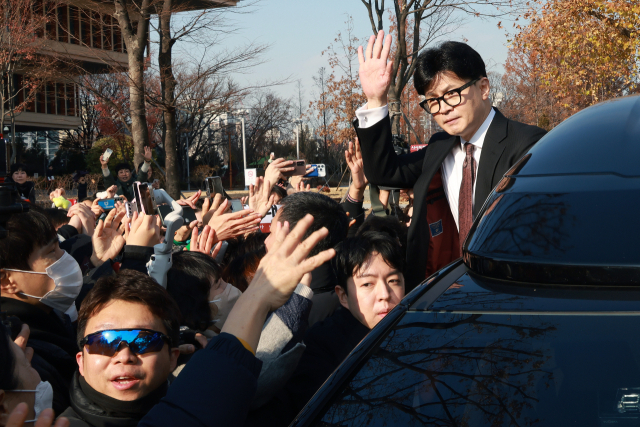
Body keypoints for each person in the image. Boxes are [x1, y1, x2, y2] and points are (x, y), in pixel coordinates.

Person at [356, 34, 547, 289]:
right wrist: (375, 100)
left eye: (452, 94)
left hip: (507, 291)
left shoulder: (528, 144)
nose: (443, 108)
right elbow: (384, 172)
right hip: (444, 292)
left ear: (483, 88)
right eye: (433, 101)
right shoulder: (439, 147)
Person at [245, 231, 405, 427]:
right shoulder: (320, 349)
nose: (384, 294)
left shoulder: (419, 331)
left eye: (393, 281)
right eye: (367, 284)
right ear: (343, 295)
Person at [59, 270, 181, 427]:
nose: (124, 356)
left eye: (143, 340)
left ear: (173, 358)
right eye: (103, 342)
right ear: (81, 362)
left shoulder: (207, 414)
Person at [0, 211, 82, 414]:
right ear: (7, 281)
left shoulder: (50, 315)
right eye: (50, 253)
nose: (64, 258)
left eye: (58, 247)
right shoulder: (21, 359)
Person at [264, 192, 349, 326]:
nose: (266, 241)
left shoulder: (285, 313)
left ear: (294, 242)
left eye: (271, 233)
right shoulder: (350, 298)